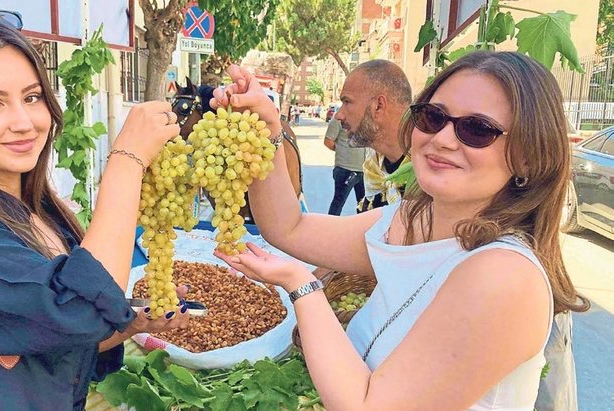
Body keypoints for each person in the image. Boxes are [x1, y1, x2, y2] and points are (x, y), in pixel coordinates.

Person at [210, 51, 589, 410]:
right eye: (433, 117)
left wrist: (301, 286)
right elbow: (288, 228)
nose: (442, 138)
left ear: (528, 154)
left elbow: (368, 405)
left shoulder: (504, 276)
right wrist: (267, 127)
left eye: (477, 129)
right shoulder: (412, 220)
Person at [0, 10, 188, 410]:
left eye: (32, 97)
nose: (24, 122)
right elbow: (79, 308)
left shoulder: (39, 211)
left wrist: (130, 326)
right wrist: (126, 160)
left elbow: (50, 334)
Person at [332, 60, 412, 211]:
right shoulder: (373, 169)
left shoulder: (432, 173)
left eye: (347, 102)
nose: (339, 115)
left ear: (378, 106)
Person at [324, 118, 366, 215]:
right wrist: (343, 151)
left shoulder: (364, 117)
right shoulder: (339, 119)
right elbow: (328, 141)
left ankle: (362, 228)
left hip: (364, 170)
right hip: (345, 169)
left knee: (364, 205)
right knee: (338, 203)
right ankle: (331, 228)